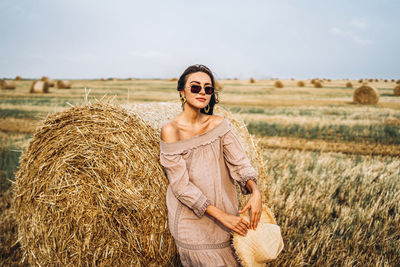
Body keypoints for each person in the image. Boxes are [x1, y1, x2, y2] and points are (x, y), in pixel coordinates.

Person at [159, 64, 262, 266]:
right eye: (195, 87)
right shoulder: (171, 130)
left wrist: (255, 191)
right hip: (192, 223)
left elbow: (240, 164)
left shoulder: (219, 125)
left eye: (208, 88)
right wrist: (222, 217)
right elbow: (181, 187)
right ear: (182, 91)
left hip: (227, 219)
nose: (203, 92)